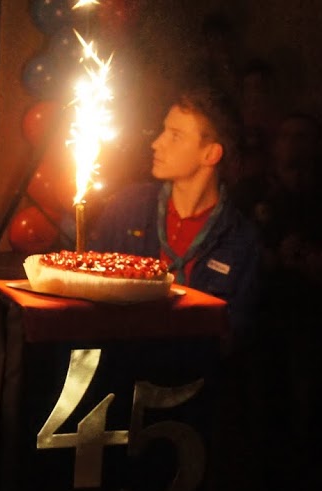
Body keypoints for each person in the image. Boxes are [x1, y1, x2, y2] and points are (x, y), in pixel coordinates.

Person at [90, 82, 261, 338]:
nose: (156, 143)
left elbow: (234, 334)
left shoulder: (239, 240)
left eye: (175, 136)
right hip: (125, 357)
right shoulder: (128, 208)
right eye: (163, 131)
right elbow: (88, 299)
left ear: (210, 154)